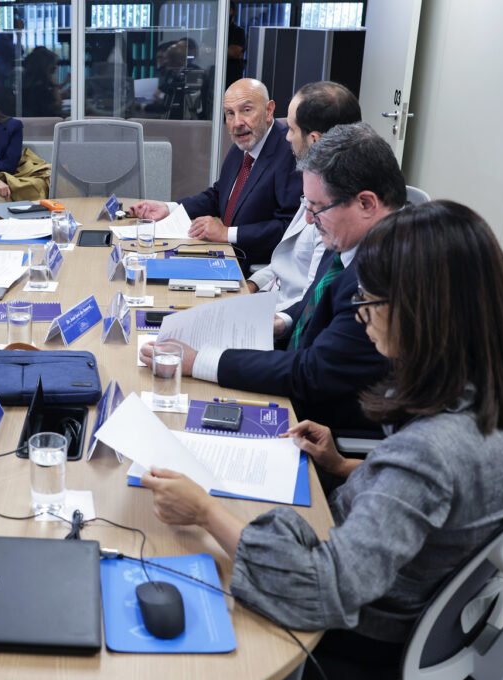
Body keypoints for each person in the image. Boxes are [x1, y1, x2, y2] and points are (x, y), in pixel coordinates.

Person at [141, 200, 503, 680]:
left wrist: (204, 511)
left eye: (369, 303)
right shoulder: (501, 385)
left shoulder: (433, 450)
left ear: (423, 313)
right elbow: (446, 499)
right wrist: (345, 465)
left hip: (369, 631)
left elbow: (323, 590)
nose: (362, 319)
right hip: (429, 598)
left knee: (167, 618)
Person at [140, 122, 400, 434]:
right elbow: (315, 304)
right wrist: (282, 321)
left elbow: (312, 374)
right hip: (295, 377)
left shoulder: (381, 274)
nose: (307, 219)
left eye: (317, 208)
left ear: (366, 203)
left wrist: (198, 362)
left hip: (316, 420)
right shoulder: (353, 238)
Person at [130, 78, 301, 268]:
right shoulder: (244, 143)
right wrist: (169, 208)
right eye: (229, 113)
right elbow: (218, 196)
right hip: (225, 253)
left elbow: (288, 226)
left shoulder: (289, 151)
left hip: (255, 267)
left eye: (246, 110)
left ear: (269, 110)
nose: (237, 123)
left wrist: (226, 233)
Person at [247, 81, 362, 311]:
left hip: (283, 320)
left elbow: (312, 302)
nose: (287, 137)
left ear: (315, 140)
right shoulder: (315, 181)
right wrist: (250, 284)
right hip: (267, 298)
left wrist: (271, 321)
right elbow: (285, 264)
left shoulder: (333, 209)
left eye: (291, 129)